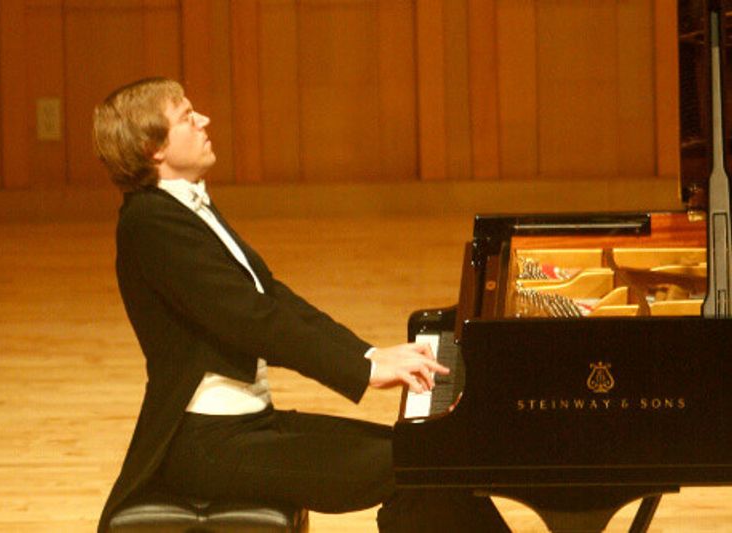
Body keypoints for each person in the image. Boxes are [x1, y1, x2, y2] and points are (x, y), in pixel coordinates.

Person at [93, 77, 508, 532]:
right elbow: (252, 321)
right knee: (421, 466)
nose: (204, 120)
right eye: (187, 117)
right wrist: (366, 371)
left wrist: (368, 353)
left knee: (425, 460)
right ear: (155, 148)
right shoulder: (150, 224)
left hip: (247, 430)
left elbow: (272, 298)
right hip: (208, 446)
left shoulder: (178, 209)